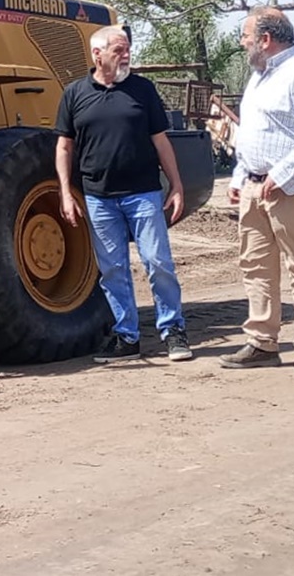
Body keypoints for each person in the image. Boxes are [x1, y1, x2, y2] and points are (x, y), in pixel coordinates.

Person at [55, 25, 191, 364]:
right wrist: (65, 193)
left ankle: (173, 331)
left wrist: (176, 184)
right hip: (98, 198)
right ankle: (126, 336)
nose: (126, 54)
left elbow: (161, 141)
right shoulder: (74, 94)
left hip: (143, 193)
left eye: (128, 48)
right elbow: (64, 146)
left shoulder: (142, 90)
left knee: (158, 262)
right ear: (97, 55)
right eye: (118, 49)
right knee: (112, 270)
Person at [221, 6, 294, 377]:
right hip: (256, 187)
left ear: (266, 40)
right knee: (255, 266)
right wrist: (241, 175)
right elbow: (255, 134)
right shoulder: (258, 78)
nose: (243, 44)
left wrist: (285, 173)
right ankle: (262, 343)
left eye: (246, 37)